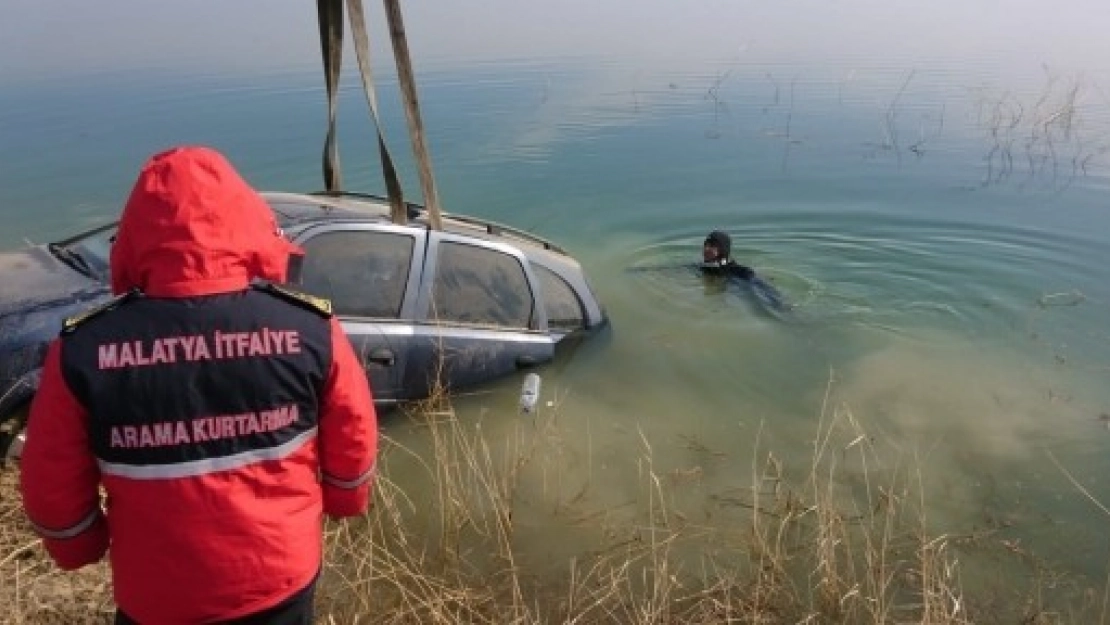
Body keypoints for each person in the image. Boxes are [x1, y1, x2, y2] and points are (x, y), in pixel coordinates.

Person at [19, 146, 379, 624]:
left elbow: (50, 480)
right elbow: (354, 436)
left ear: (134, 236)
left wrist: (78, 546)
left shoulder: (86, 347)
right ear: (246, 218)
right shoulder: (309, 328)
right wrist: (345, 500)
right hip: (279, 578)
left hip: (157, 594)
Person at [700, 230, 789, 312]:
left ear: (723, 249)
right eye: (706, 245)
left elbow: (757, 282)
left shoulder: (739, 270)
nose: (706, 249)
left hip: (750, 288)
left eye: (712, 246)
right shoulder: (704, 268)